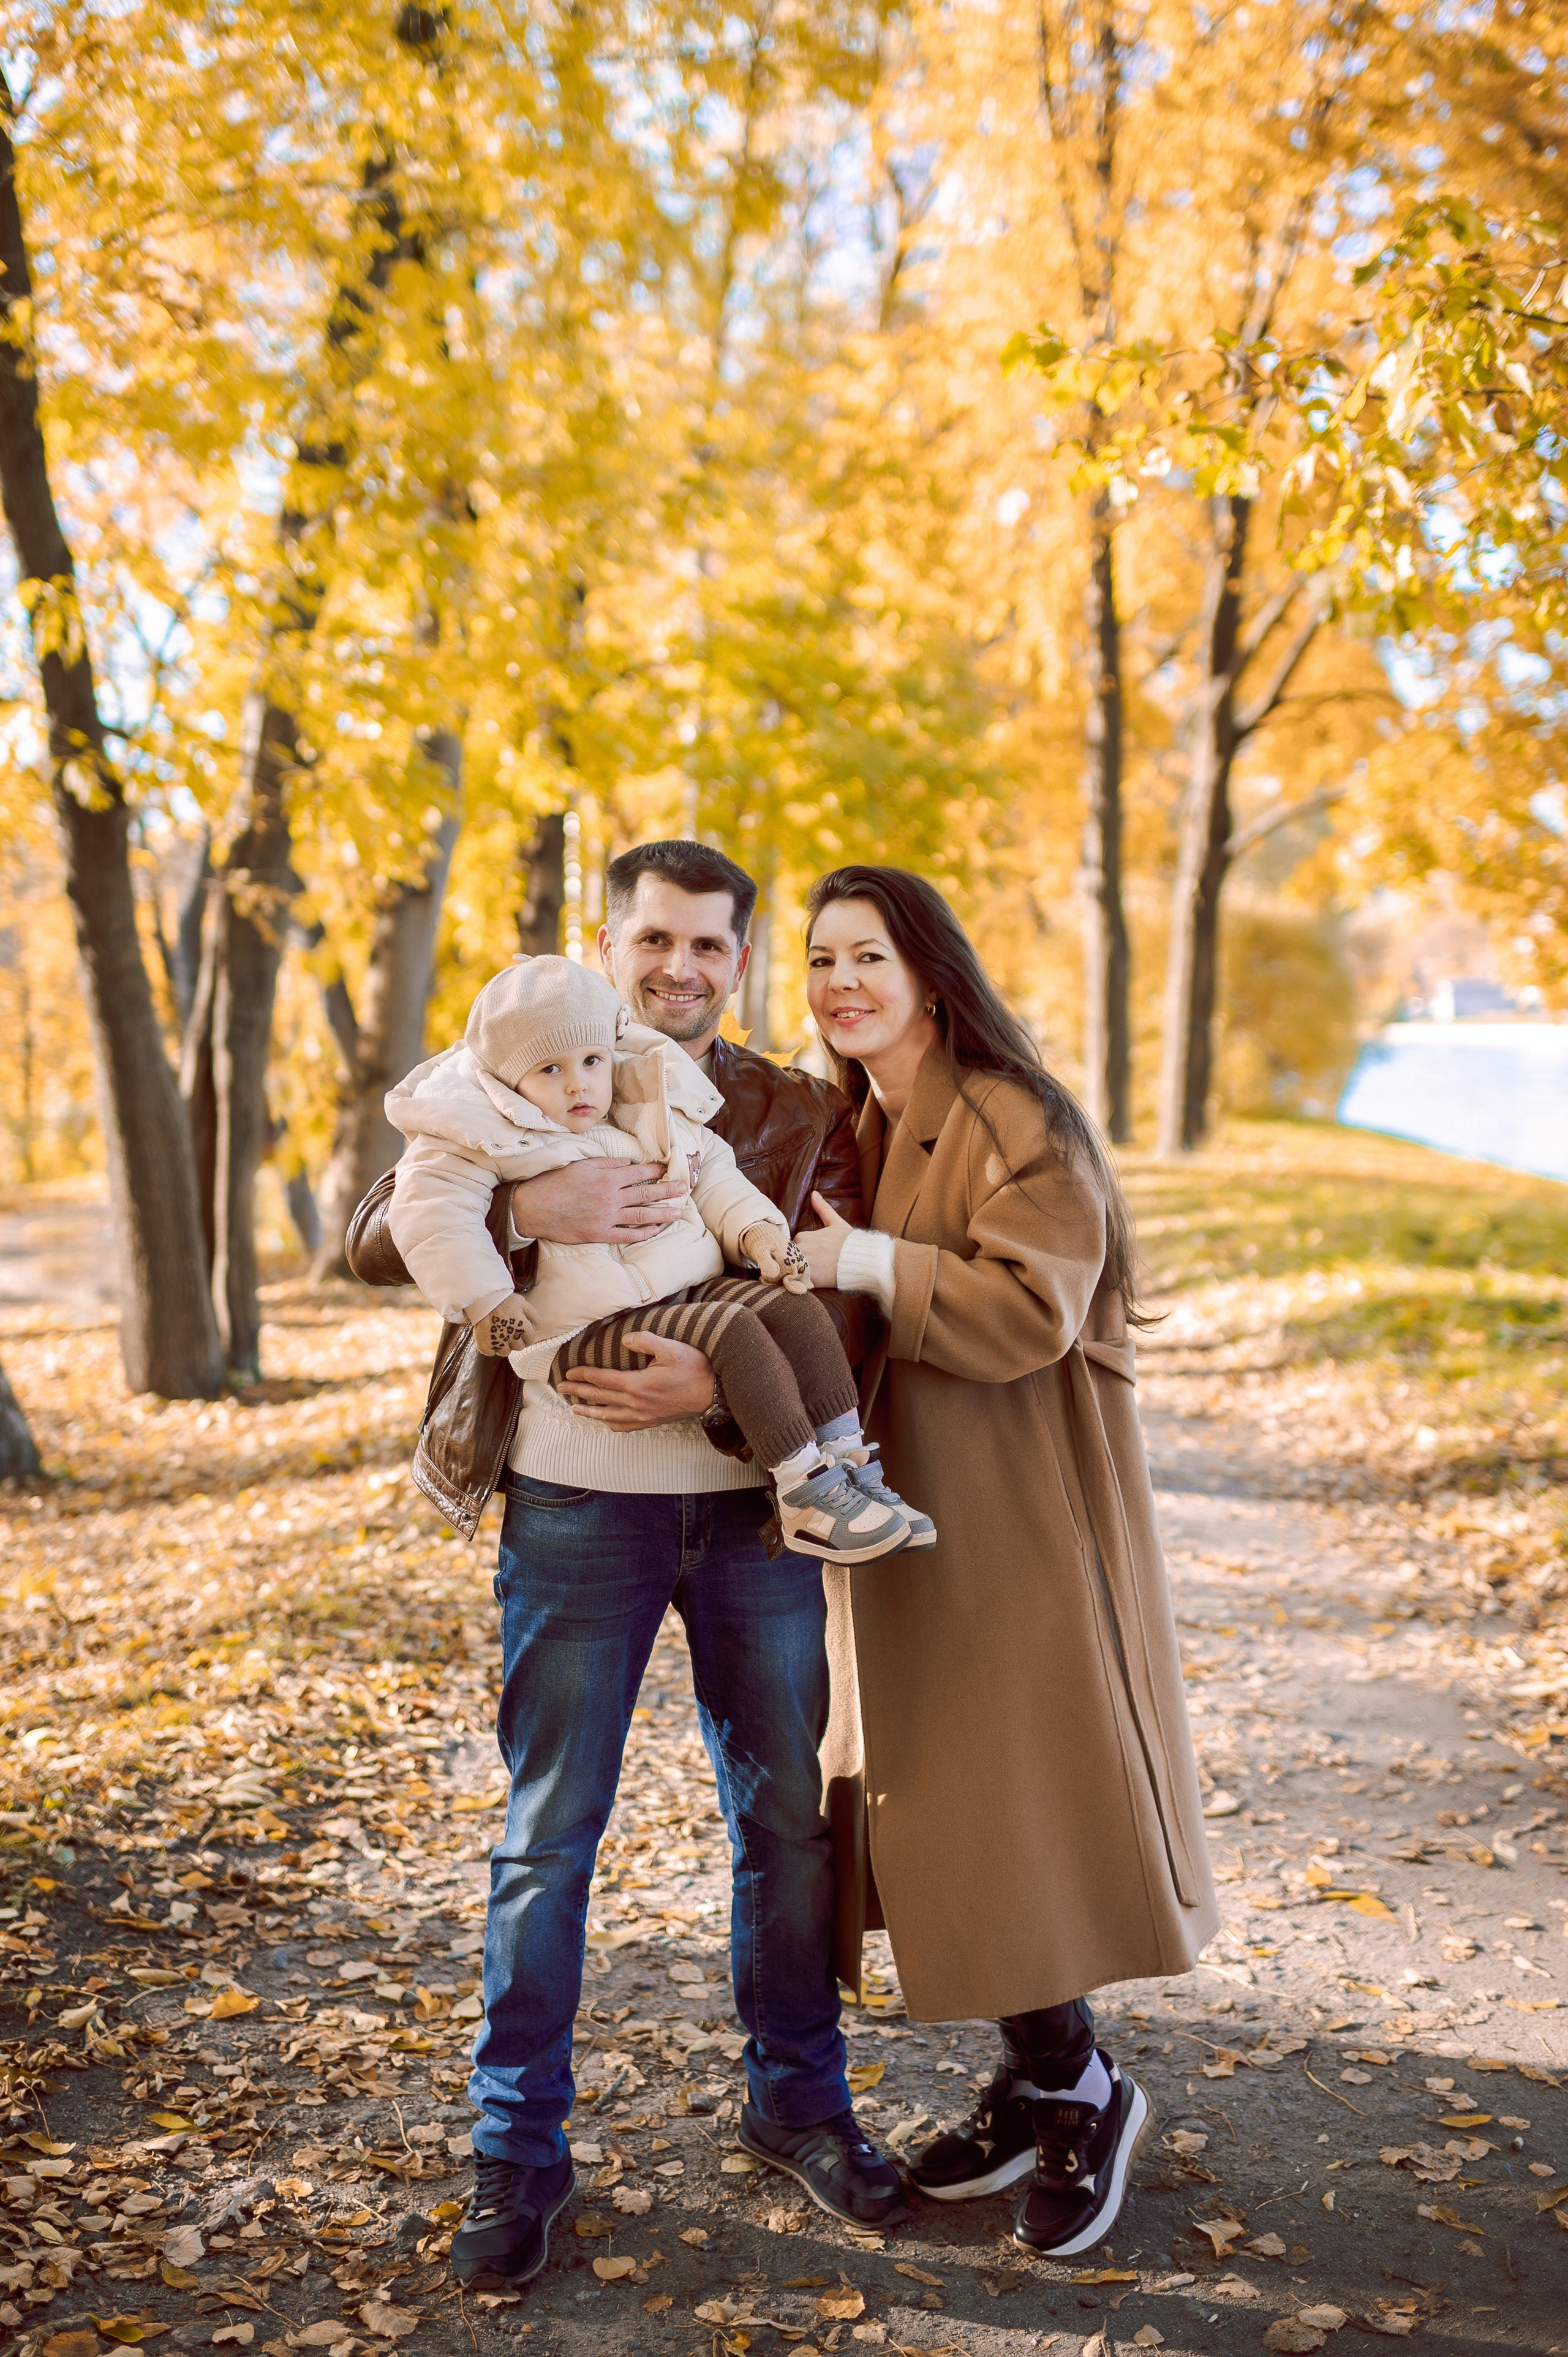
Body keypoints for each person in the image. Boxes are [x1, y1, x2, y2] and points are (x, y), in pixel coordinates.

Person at [344, 841, 909, 2290]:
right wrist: (532, 1214)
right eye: (652, 938)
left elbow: (828, 1306)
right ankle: (513, 2155)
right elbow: (372, 1230)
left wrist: (703, 1393)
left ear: (739, 958)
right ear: (607, 945)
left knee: (783, 1818)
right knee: (548, 1834)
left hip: (745, 1515)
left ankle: (798, 2102)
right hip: (568, 1509)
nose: (678, 967)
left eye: (709, 945)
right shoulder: (511, 1057)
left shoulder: (789, 1106)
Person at [790, 863, 1219, 2260]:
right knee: (943, 1814)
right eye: (817, 960)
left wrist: (857, 1259)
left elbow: (1027, 1306)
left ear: (928, 971)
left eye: (864, 955)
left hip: (1018, 1519)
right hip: (904, 1520)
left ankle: (1084, 2088)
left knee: (1010, 1800)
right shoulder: (855, 1117)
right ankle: (1045, 2076)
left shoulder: (1010, 1112)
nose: (839, 983)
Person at [384, 954, 927, 1563]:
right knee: (736, 1329)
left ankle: (851, 1469)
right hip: (577, 1330)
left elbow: (714, 1174)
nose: (577, 1084)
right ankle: (805, 1490)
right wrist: (488, 1297)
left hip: (676, 1297)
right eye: (549, 1069)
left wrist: (757, 1234)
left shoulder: (644, 1102)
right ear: (508, 1080)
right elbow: (430, 1219)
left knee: (790, 1309)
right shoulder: (476, 1133)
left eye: (591, 1062)